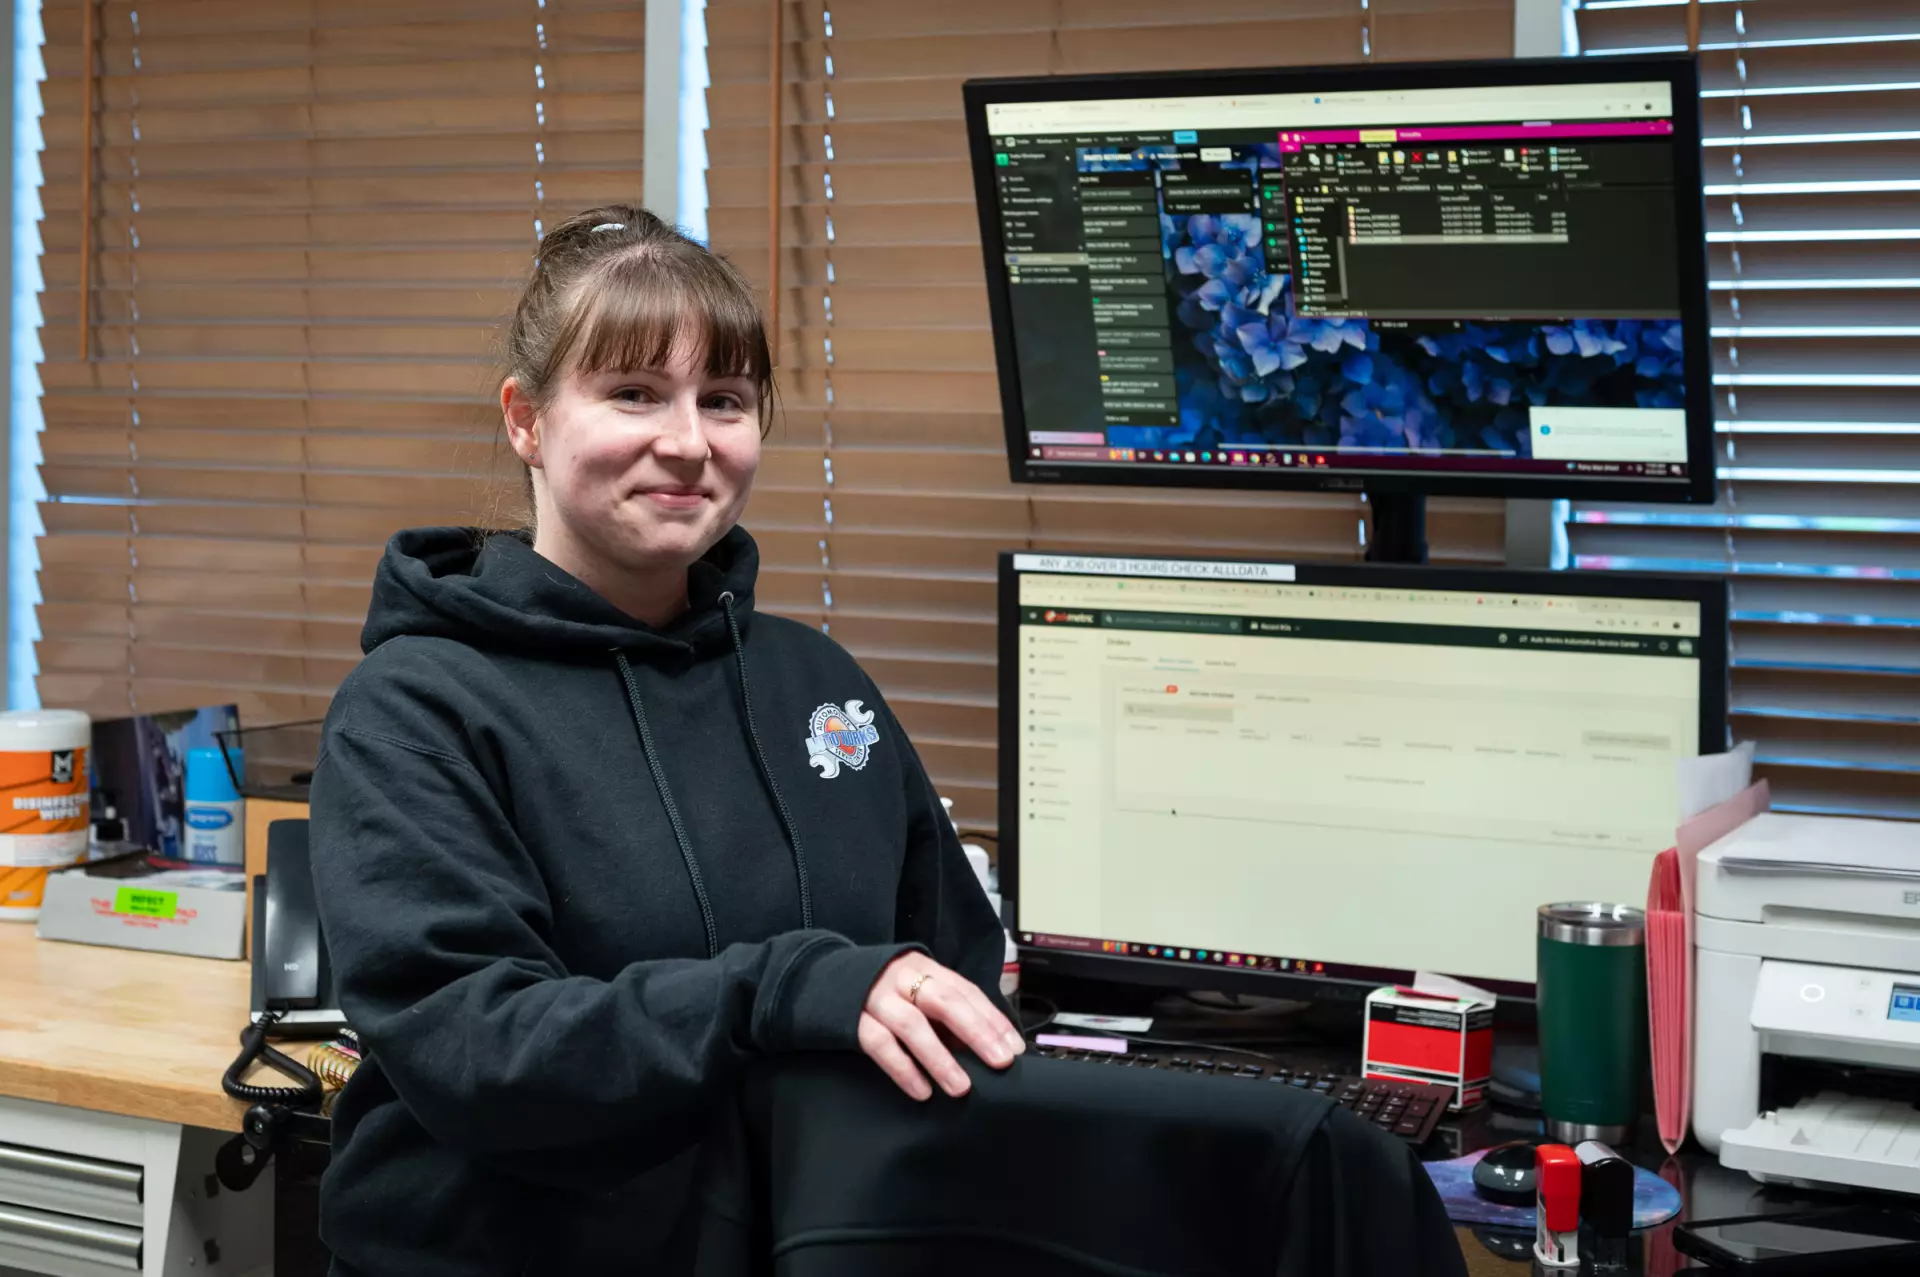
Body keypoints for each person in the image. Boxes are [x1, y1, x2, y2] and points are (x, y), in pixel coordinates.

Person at [308, 204, 1019, 1276]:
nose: (688, 442)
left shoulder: (818, 686)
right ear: (527, 420)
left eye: (723, 399)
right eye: (634, 392)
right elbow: (480, 1051)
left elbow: (948, 966)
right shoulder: (415, 709)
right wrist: (782, 991)